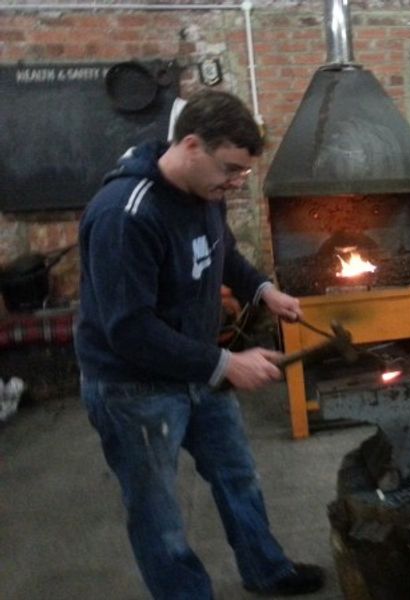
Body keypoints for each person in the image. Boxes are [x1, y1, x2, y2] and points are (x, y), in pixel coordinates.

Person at [75, 89, 324, 599]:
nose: (235, 183)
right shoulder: (125, 216)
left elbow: (222, 251)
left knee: (239, 477)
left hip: (196, 371)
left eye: (244, 174)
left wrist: (263, 289)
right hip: (135, 389)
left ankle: (266, 570)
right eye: (230, 168)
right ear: (190, 145)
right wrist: (224, 363)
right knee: (158, 512)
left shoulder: (205, 193)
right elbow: (130, 330)